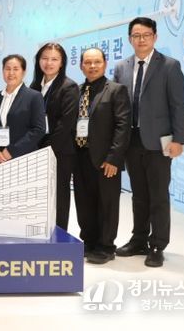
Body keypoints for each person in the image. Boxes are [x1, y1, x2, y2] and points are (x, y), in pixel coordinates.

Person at [113, 17, 184, 267]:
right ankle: (139, 240)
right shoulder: (121, 67)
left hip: (158, 142)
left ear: (155, 37)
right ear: (129, 39)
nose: (141, 39)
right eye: (136, 35)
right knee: (138, 195)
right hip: (131, 141)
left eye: (146, 35)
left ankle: (157, 245)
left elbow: (178, 106)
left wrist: (179, 139)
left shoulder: (170, 66)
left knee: (158, 196)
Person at [74, 47, 131, 264]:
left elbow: (123, 127)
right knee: (84, 202)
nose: (92, 66)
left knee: (107, 203)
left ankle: (106, 246)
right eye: (88, 62)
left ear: (105, 64)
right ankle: (88, 241)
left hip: (105, 159)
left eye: (97, 62)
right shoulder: (77, 91)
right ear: (81, 66)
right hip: (80, 156)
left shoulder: (116, 90)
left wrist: (114, 159)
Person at [30, 43, 79, 231]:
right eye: (44, 58)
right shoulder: (34, 86)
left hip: (59, 152)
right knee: (39, 196)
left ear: (62, 63)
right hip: (36, 150)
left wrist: (47, 149)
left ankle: (59, 235)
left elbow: (66, 124)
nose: (48, 63)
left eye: (54, 59)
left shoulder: (69, 87)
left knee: (58, 196)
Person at [0, 54, 45, 164]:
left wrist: (12, 150)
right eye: (7, 69)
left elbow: (38, 129)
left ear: (23, 72)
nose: (11, 73)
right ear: (3, 71)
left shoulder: (34, 97)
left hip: (24, 159)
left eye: (16, 69)